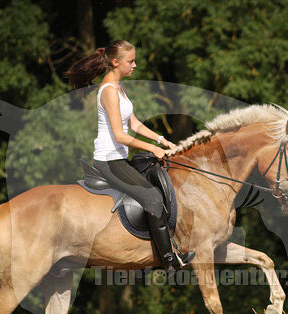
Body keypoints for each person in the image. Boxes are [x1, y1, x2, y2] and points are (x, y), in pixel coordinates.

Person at [65, 40, 194, 273]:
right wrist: (153, 149)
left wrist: (160, 140)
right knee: (153, 199)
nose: (135, 65)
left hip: (119, 159)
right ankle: (168, 262)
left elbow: (134, 123)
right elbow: (120, 135)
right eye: (130, 61)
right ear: (115, 62)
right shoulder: (109, 92)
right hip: (109, 162)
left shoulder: (120, 87)